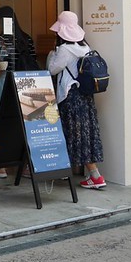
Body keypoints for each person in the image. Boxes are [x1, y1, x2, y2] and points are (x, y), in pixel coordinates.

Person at [46, 11, 106, 189]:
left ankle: (95, 176)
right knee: (85, 134)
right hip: (85, 97)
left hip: (71, 97)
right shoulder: (85, 47)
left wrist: (51, 54)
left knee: (72, 134)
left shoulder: (65, 50)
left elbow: (52, 69)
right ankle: (84, 174)